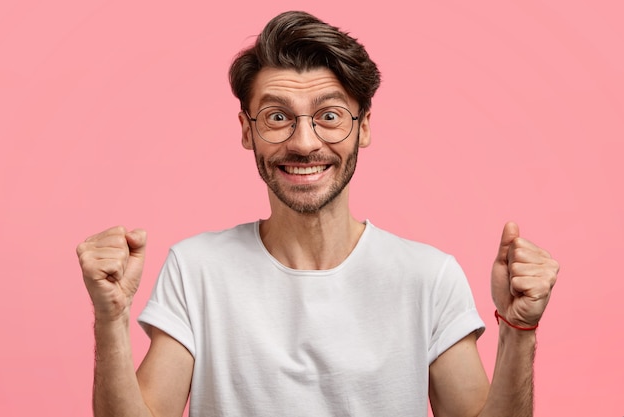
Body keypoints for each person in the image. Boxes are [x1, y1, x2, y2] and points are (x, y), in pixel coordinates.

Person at [76, 10, 559, 417]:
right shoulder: (197, 268)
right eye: (277, 117)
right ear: (247, 130)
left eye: (329, 115)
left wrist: (519, 332)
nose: (304, 143)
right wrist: (111, 318)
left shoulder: (427, 277)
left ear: (363, 127)